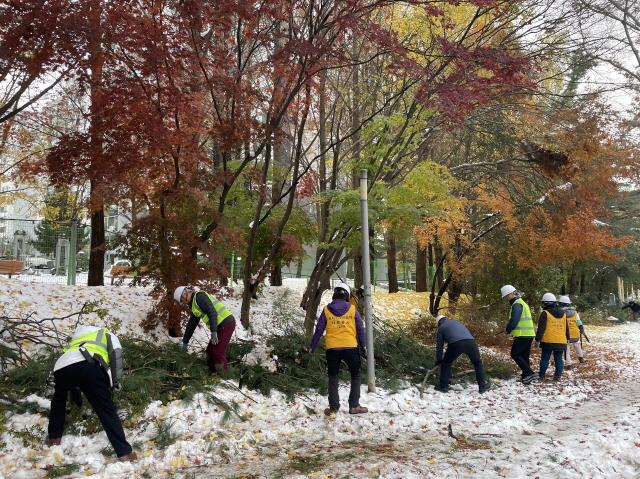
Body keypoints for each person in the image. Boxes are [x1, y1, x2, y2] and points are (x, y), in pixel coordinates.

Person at [47, 325, 137, 462]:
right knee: (106, 410)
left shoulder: (76, 339)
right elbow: (116, 356)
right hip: (89, 364)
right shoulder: (106, 333)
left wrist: (77, 401)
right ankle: (125, 453)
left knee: (58, 401)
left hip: (61, 367)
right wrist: (115, 382)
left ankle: (54, 439)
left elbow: (74, 372)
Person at [309, 282, 368, 416]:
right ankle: (354, 406)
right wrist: (363, 346)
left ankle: (334, 408)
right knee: (355, 374)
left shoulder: (326, 310)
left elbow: (319, 330)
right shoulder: (353, 310)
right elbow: (360, 329)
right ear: (347, 296)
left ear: (334, 295)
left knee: (333, 376)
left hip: (332, 349)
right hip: (350, 347)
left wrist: (312, 347)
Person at [174, 286, 236, 374]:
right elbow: (191, 325)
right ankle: (211, 372)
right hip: (219, 326)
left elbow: (212, 312)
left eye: (182, 300)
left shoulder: (200, 297)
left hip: (226, 323)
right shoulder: (194, 305)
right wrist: (185, 342)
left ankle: (224, 376)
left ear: (185, 294)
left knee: (217, 352)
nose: (183, 302)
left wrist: (214, 332)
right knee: (210, 351)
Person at [434, 315, 490, 394]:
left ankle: (443, 386)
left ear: (439, 323)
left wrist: (439, 359)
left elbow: (440, 345)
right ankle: (482, 386)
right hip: (471, 342)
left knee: (446, 363)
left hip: (456, 344)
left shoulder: (441, 328)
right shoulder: (457, 322)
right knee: (477, 362)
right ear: (446, 318)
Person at [500, 285, 536, 384]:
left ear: (512, 293)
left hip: (523, 334)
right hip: (528, 334)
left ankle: (529, 373)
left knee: (515, 354)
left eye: (507, 295)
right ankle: (526, 376)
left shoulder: (517, 304)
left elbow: (515, 319)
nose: (506, 298)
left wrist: (508, 329)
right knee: (524, 356)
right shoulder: (521, 302)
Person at [535, 293, 569, 381]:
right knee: (559, 359)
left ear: (545, 303)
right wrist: (567, 338)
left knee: (545, 359)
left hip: (548, 341)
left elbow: (541, 328)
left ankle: (541, 376)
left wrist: (537, 339)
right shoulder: (564, 314)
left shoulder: (545, 313)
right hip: (561, 341)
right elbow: (566, 328)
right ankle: (557, 377)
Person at [559, 295, 585, 369]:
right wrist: (581, 328)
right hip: (575, 333)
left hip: (566, 335)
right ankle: (581, 358)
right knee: (577, 345)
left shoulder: (561, 313)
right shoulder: (574, 312)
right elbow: (579, 321)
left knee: (566, 349)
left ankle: (568, 364)